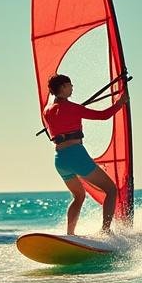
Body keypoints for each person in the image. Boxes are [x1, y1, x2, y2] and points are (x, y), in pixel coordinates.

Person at [43, 74, 128, 235]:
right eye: (70, 85)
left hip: (60, 160)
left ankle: (70, 235)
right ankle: (105, 231)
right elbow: (103, 116)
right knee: (111, 190)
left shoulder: (46, 111)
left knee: (78, 196)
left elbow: (59, 119)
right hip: (76, 156)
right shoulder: (73, 108)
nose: (72, 87)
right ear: (62, 88)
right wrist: (120, 102)